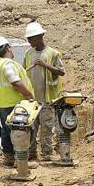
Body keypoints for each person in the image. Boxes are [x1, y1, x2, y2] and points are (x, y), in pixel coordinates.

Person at [22, 22, 65, 161]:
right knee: (31, 127)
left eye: (30, 38)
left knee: (46, 128)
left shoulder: (52, 53)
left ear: (39, 36)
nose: (29, 41)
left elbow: (61, 71)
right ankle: (32, 153)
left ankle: (46, 154)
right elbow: (24, 73)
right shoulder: (28, 54)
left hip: (47, 98)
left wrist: (46, 65)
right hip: (32, 99)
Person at [0, 36, 35, 167]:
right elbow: (15, 82)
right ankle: (20, 161)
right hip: (15, 105)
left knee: (7, 132)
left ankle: (9, 158)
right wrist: (29, 95)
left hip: (4, 104)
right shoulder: (8, 64)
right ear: (8, 49)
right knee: (20, 132)